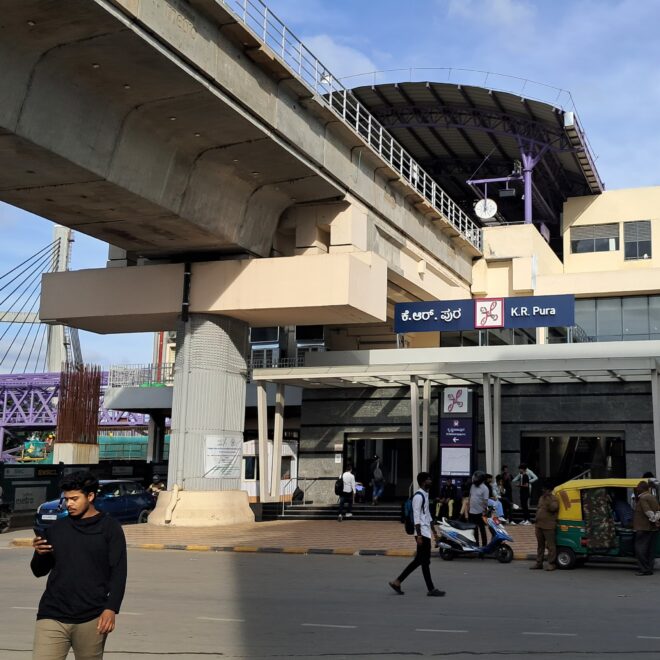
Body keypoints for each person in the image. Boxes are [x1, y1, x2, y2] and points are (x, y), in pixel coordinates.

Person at [30, 470, 127, 660]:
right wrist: (40, 554)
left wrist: (111, 608)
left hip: (92, 617)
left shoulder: (110, 528)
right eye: (67, 499)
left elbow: (118, 571)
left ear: (90, 496)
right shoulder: (57, 529)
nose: (69, 504)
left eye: (74, 498)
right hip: (52, 613)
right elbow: (38, 571)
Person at [388, 472, 444, 597]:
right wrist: (418, 535)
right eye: (429, 479)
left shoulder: (425, 494)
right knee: (423, 561)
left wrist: (434, 532)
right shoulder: (418, 497)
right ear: (424, 482)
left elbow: (428, 516)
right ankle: (431, 589)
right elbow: (417, 517)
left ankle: (397, 581)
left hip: (425, 532)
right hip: (421, 533)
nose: (431, 481)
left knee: (421, 561)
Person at [530, 481, 559, 571]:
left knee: (551, 546)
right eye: (543, 490)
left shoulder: (553, 499)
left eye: (545, 490)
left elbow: (554, 508)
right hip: (539, 525)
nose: (543, 491)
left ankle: (551, 563)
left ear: (549, 490)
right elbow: (539, 508)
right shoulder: (541, 498)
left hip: (549, 526)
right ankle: (539, 563)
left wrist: (548, 500)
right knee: (540, 545)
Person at [633, 480, 660, 576]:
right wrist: (656, 520)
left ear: (641, 489)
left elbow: (648, 512)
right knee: (650, 550)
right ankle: (649, 569)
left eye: (637, 488)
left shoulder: (643, 498)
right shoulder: (652, 497)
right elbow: (658, 511)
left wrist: (653, 519)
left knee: (640, 549)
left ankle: (644, 569)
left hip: (643, 528)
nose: (636, 489)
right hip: (652, 529)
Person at [468, 471, 489, 546]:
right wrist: (468, 508)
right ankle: (476, 544)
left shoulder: (485, 488)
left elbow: (485, 501)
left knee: (482, 529)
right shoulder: (472, 486)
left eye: (476, 478)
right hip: (472, 512)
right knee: (474, 529)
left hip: (480, 513)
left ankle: (484, 545)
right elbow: (470, 497)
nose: (474, 479)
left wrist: (484, 511)